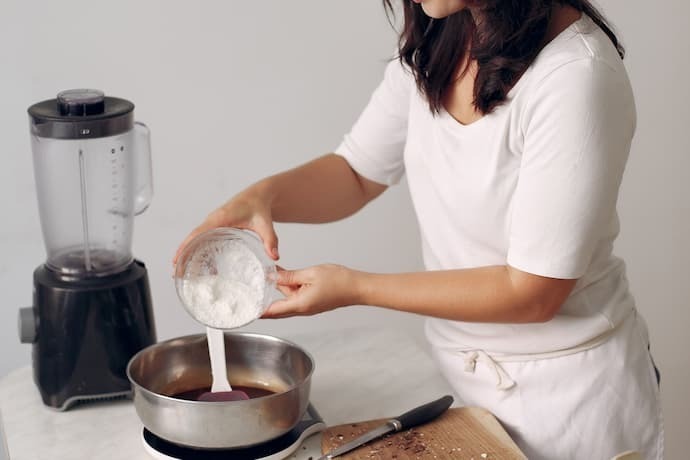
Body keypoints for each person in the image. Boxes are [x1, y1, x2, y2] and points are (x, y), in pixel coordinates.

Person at [175, 1, 664, 458]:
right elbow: (356, 173)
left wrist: (356, 287)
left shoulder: (577, 75)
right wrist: (264, 196)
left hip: (568, 407)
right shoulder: (444, 33)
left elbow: (534, 291)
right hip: (462, 388)